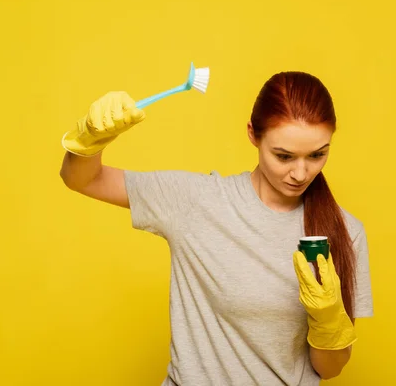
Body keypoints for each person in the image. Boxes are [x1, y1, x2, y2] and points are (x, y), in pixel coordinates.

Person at [60, 71, 374, 385]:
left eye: (318, 155)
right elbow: (82, 178)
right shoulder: (198, 202)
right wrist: (89, 139)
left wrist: (329, 323)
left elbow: (330, 369)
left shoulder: (345, 232)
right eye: (284, 156)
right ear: (253, 134)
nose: (301, 173)